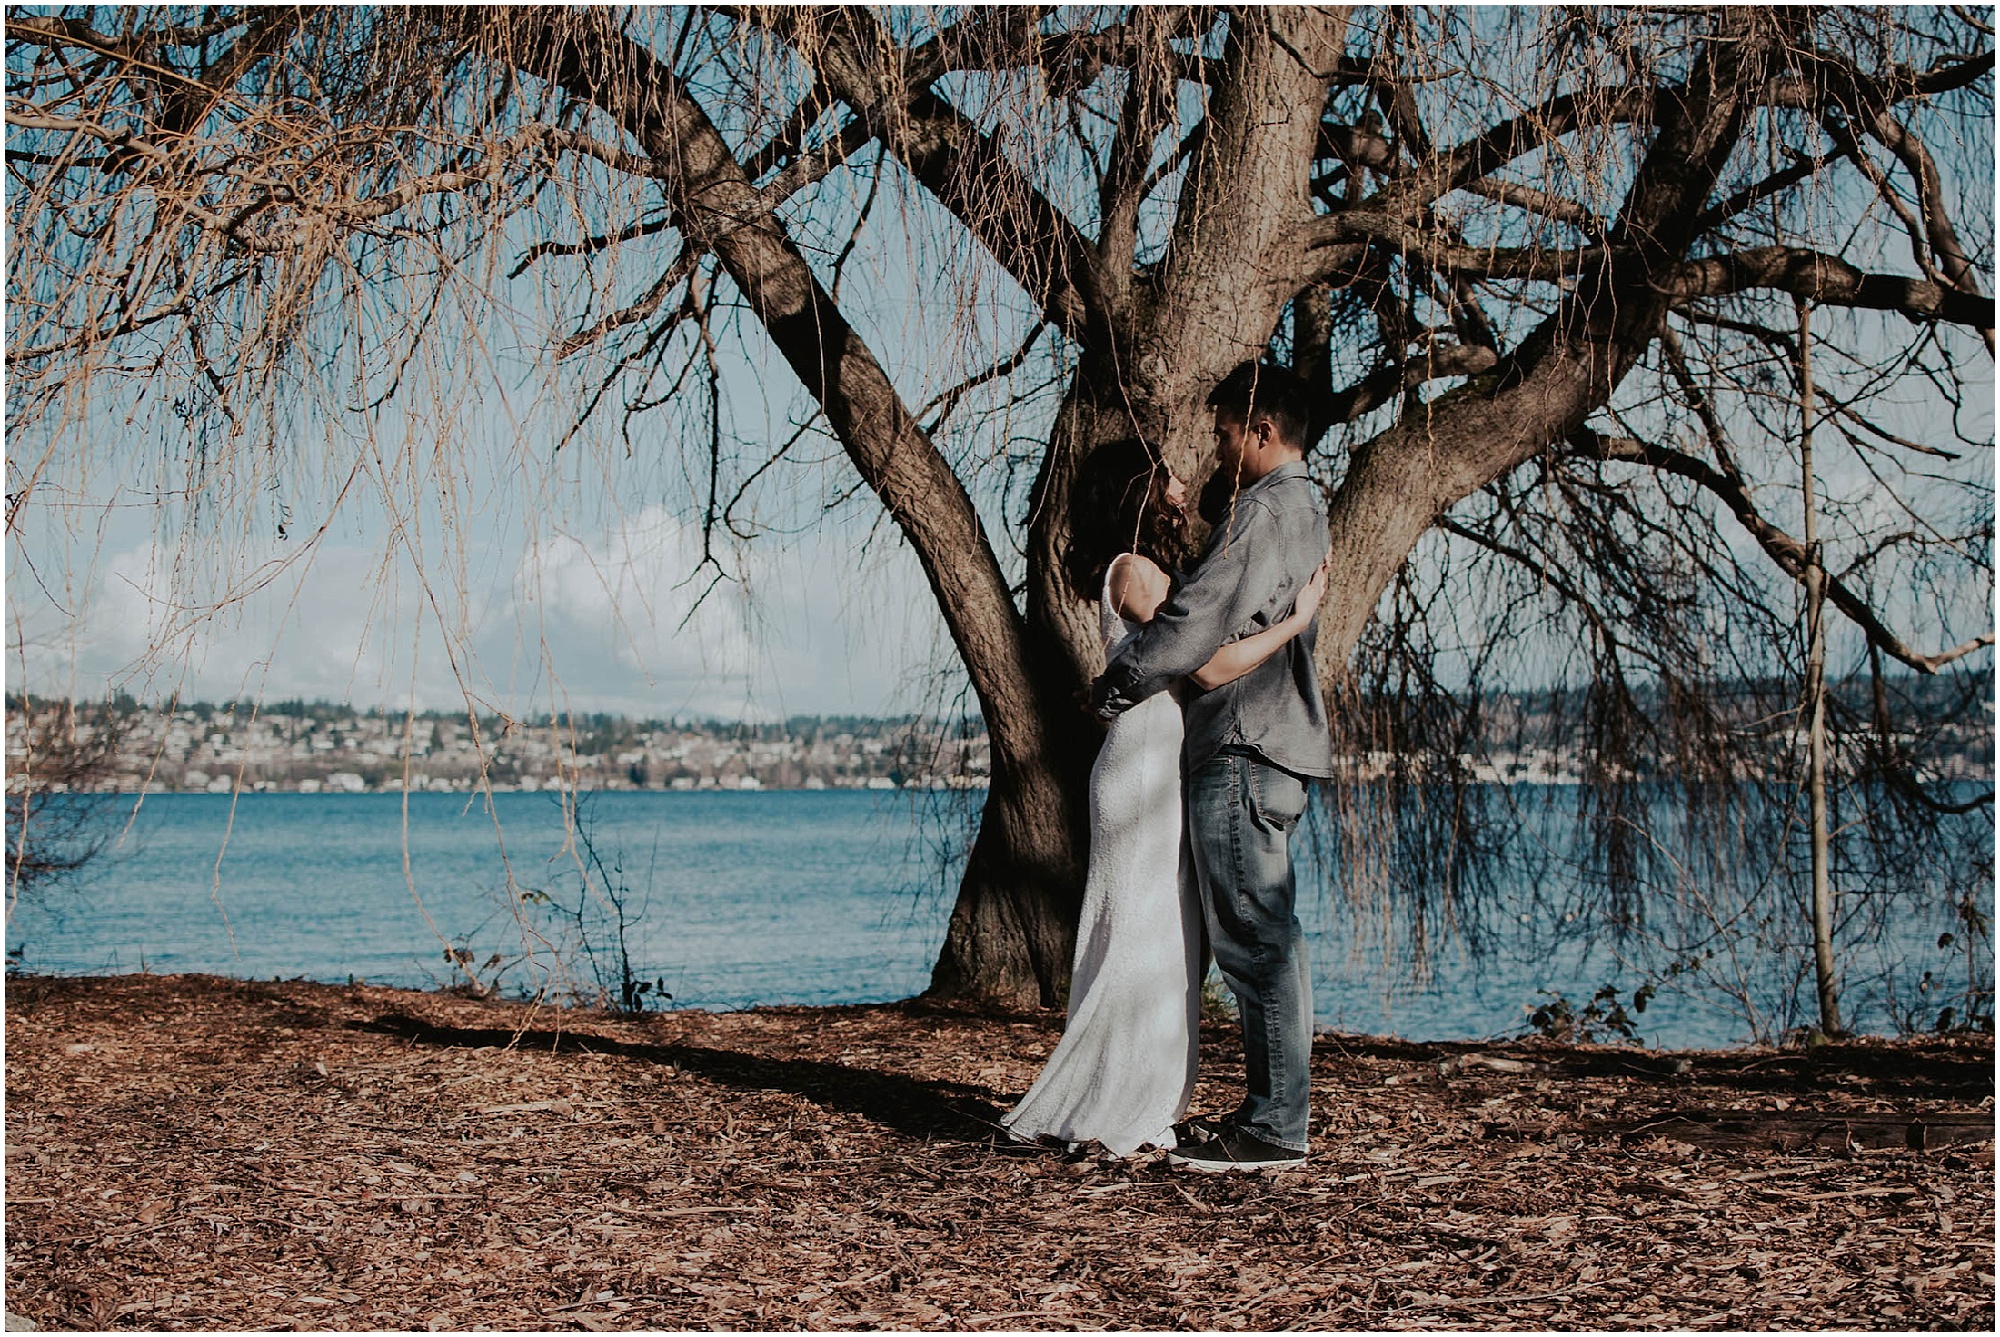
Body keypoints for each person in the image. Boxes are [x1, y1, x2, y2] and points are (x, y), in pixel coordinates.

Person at [1001, 436, 1326, 1158]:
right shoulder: (1137, 573)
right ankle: (1114, 1096)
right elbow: (1206, 665)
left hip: (1159, 762)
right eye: (1171, 480)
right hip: (1143, 769)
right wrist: (1295, 624)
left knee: (1166, 938)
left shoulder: (1154, 569)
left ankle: (1138, 1093)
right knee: (1144, 935)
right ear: (1137, 492)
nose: (1184, 488)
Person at [1092, 361, 1334, 1173]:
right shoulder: (1310, 509)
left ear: (1262, 430)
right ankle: (1274, 1110)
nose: (1219, 445)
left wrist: (1114, 682)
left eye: (1225, 429)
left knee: (1252, 935)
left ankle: (1273, 1126)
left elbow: (1193, 631)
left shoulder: (1264, 511)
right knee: (1273, 932)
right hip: (1280, 743)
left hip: (1241, 740)